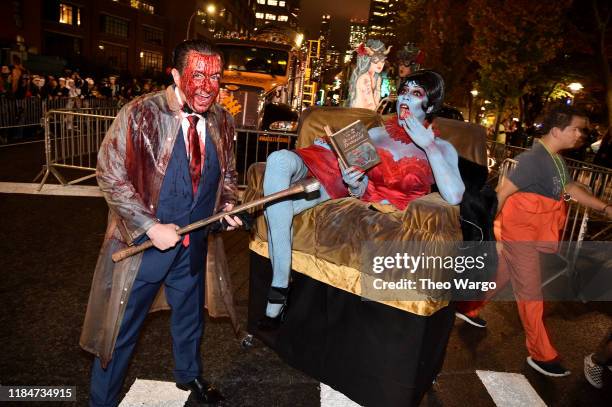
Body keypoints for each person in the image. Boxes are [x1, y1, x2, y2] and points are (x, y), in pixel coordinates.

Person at [81, 39, 243, 406]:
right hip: (143, 248)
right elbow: (109, 174)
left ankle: (189, 376)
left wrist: (228, 205)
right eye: (197, 74)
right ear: (174, 74)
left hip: (193, 244)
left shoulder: (222, 120)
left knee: (190, 319)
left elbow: (228, 173)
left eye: (215, 76)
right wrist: (149, 226)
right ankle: (101, 401)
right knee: (120, 328)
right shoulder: (141, 113)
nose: (207, 86)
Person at [260, 70, 464, 326]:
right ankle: (280, 281)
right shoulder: (376, 134)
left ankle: (279, 289)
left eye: (416, 94)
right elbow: (358, 187)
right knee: (279, 193)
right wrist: (354, 181)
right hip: (359, 203)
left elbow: (455, 195)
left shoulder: (443, 148)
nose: (405, 99)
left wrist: (428, 145)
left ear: (431, 104)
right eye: (403, 92)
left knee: (277, 208)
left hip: (397, 218)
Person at [456, 105, 612, 377]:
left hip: (529, 231)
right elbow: (501, 193)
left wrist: (606, 209)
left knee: (502, 275)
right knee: (531, 293)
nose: (580, 135)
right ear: (556, 130)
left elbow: (571, 189)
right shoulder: (533, 160)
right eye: (576, 129)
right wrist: (490, 236)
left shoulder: (555, 160)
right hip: (520, 233)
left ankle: (469, 307)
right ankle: (541, 354)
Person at [348, 39, 391, 110]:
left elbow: (376, 101)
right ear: (368, 61)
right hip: (360, 114)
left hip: (369, 115)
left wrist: (385, 100)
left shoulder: (378, 78)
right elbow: (370, 104)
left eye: (382, 61)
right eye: (375, 60)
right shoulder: (364, 78)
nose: (380, 64)